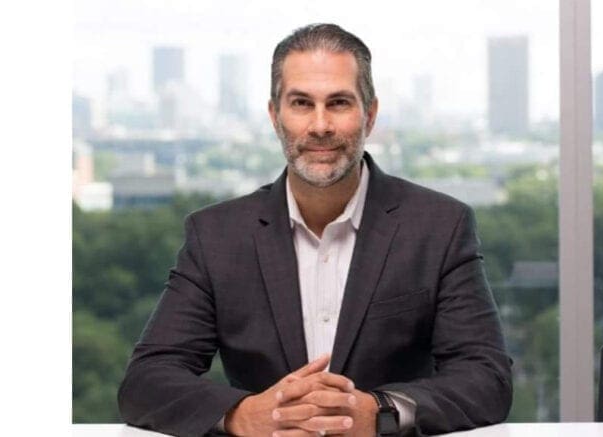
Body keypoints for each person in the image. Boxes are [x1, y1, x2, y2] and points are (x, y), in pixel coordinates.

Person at [118, 23, 512, 437]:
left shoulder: (438, 227)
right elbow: (146, 380)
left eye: (339, 103)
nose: (320, 125)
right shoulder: (216, 236)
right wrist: (243, 415)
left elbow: (487, 378)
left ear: (370, 115)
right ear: (275, 116)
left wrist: (379, 412)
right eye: (301, 103)